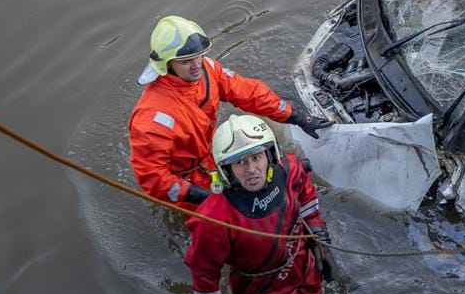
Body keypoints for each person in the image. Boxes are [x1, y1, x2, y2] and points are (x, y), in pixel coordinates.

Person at [128, 15, 332, 208]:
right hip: (186, 181)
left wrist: (295, 116)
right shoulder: (152, 119)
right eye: (186, 61)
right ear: (166, 65)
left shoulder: (207, 70)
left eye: (198, 56)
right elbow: (152, 177)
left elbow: (248, 93)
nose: (196, 65)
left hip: (211, 157)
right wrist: (197, 195)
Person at [185, 114, 334, 294]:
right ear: (227, 170)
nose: (252, 170)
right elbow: (204, 276)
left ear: (270, 155)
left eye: (256, 158)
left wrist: (319, 237)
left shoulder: (288, 170)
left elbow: (305, 192)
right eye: (240, 163)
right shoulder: (213, 219)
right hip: (265, 293)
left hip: (303, 263)